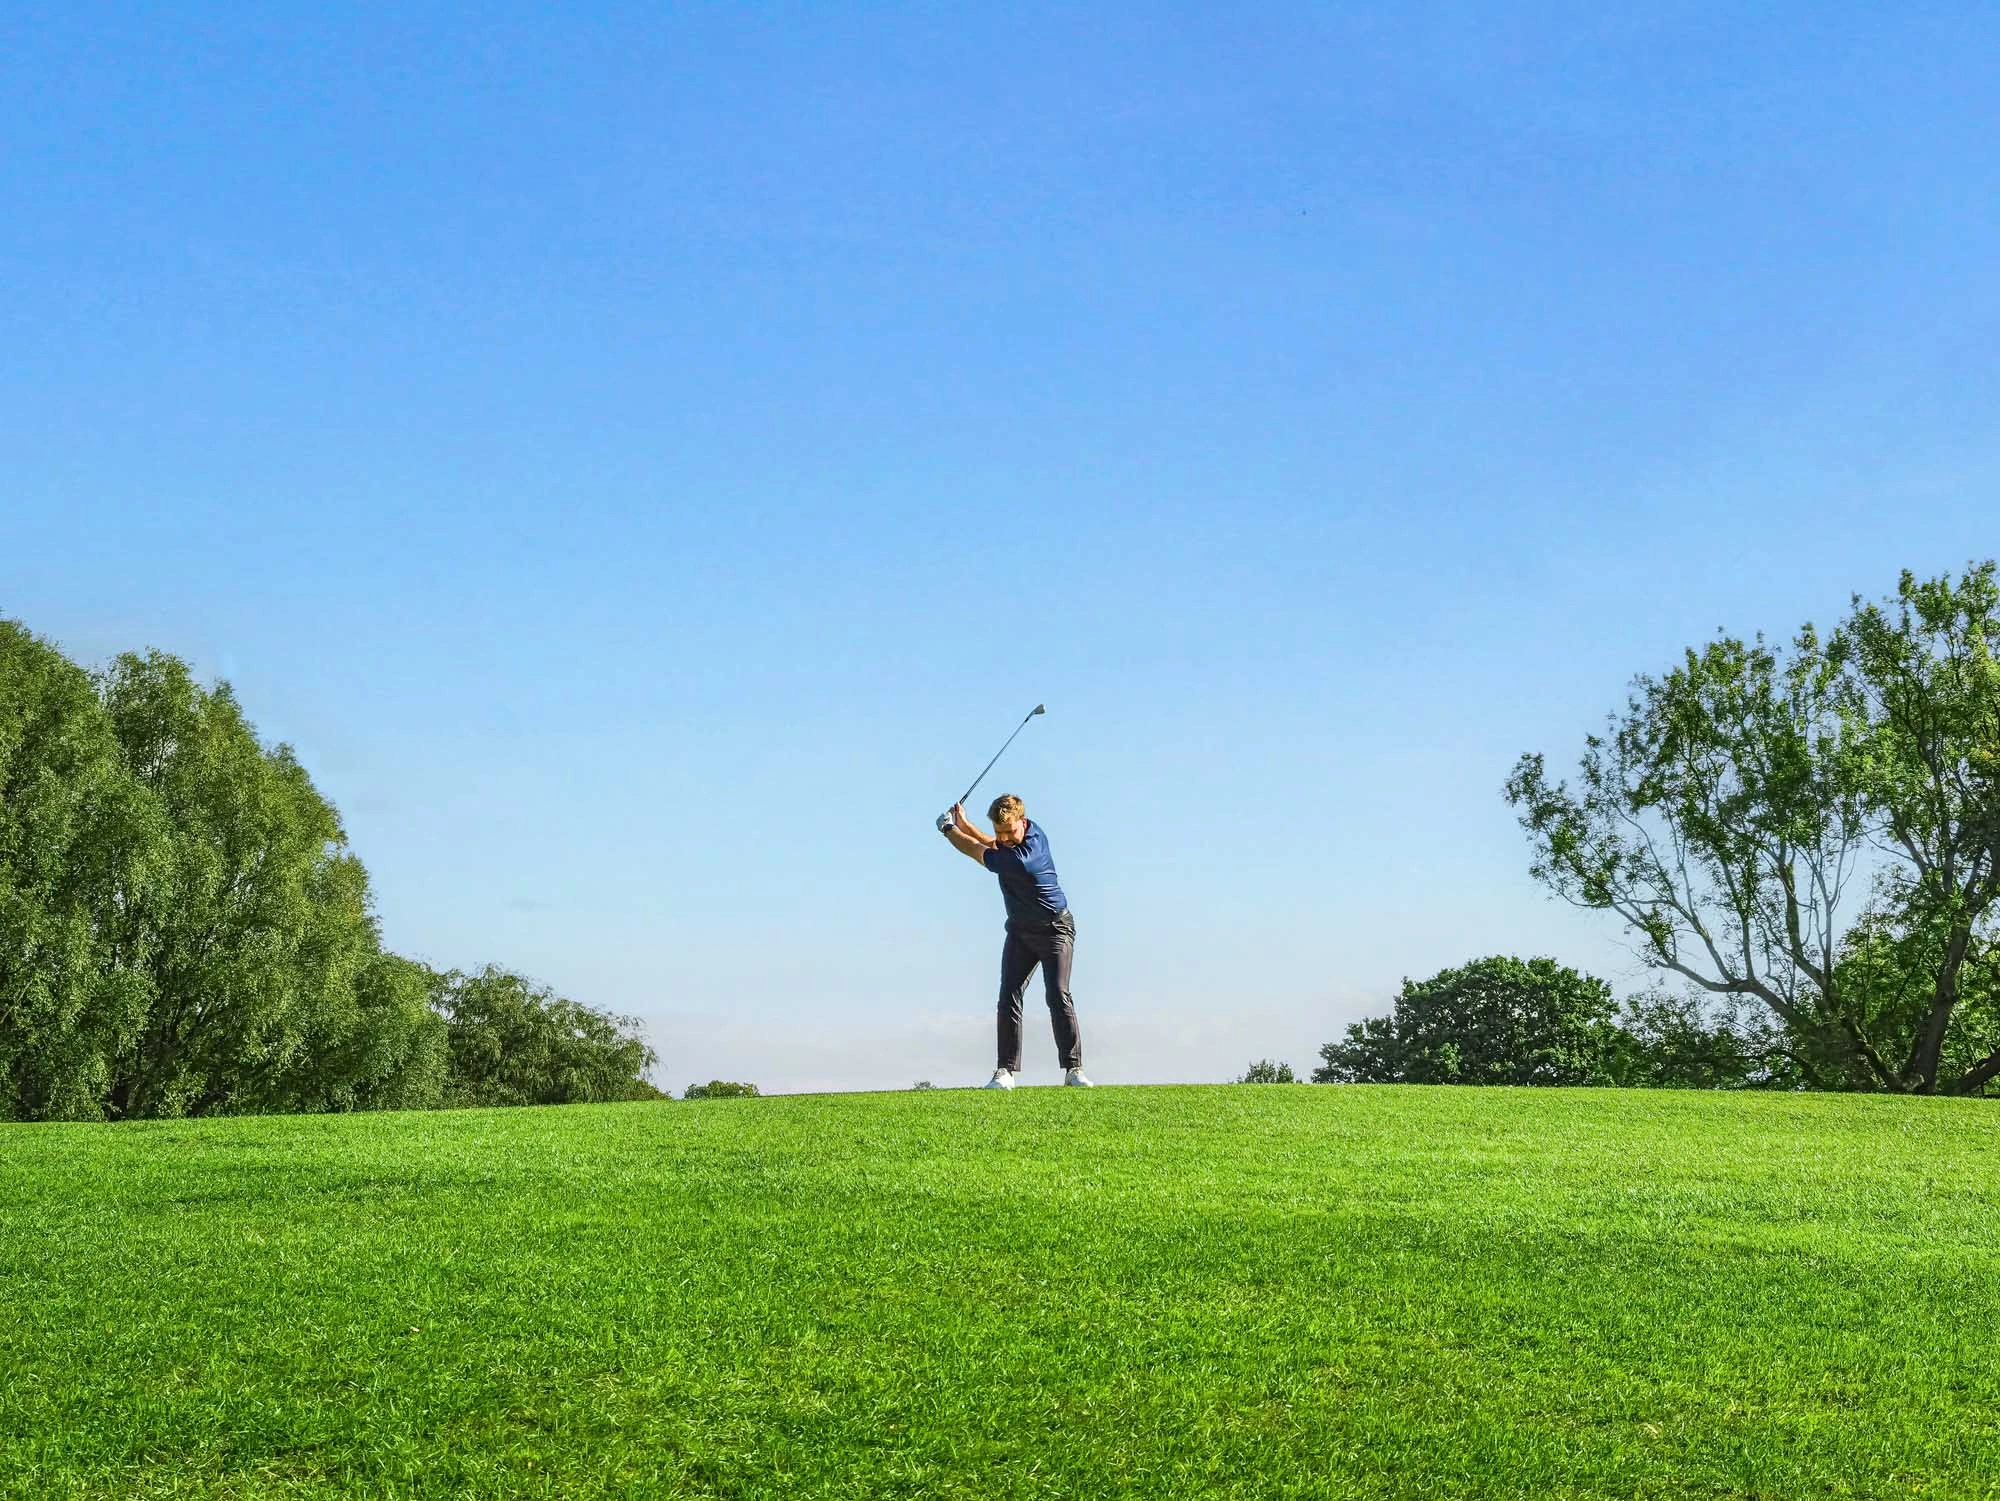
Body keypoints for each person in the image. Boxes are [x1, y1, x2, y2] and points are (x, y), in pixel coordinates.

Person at [936, 794, 1091, 1089]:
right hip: (1020, 931)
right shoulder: (1012, 843)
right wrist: (965, 824)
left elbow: (977, 851)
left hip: (1055, 929)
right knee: (1008, 996)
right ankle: (1005, 1071)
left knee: (1057, 994)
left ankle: (1074, 1070)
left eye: (1010, 831)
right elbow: (991, 844)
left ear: (1023, 821)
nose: (1005, 838)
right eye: (1000, 831)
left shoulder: (1028, 852)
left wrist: (948, 830)